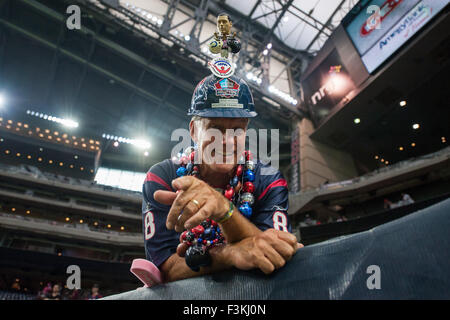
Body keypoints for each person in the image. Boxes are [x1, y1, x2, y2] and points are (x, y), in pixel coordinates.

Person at [141, 74, 303, 284]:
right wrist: (228, 254)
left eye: (237, 130)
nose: (226, 141)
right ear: (193, 130)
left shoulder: (270, 180)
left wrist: (223, 209)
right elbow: (167, 270)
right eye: (214, 128)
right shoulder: (161, 177)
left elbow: (271, 253)